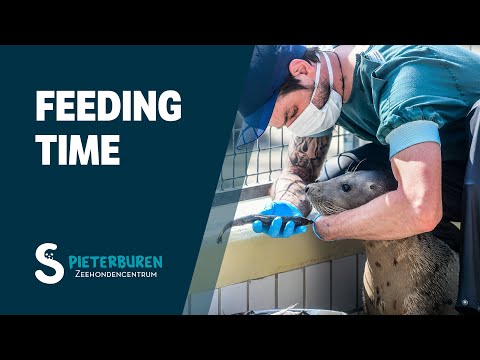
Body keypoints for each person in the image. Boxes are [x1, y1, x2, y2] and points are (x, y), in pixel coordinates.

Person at [236, 45, 480, 313]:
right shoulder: (326, 82)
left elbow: (419, 208)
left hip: (472, 164)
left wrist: (329, 228)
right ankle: (447, 253)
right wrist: (289, 205)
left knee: (374, 192)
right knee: (338, 180)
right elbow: (299, 172)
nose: (295, 127)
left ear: (301, 70)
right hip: (450, 156)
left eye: (292, 113)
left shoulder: (400, 84)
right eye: (286, 124)